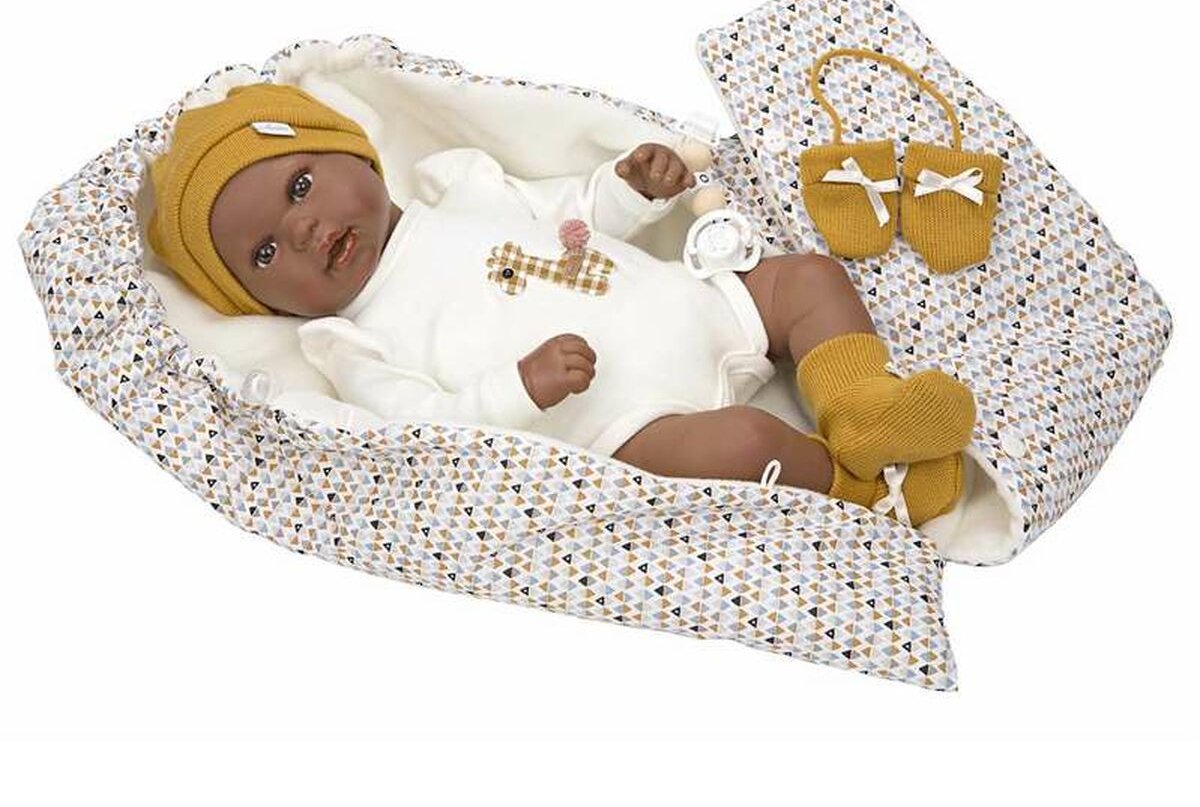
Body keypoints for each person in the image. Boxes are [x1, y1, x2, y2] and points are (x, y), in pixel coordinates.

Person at [148, 82, 974, 525]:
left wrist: (630, 187)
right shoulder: (353, 343)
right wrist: (520, 386)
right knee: (746, 442)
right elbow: (430, 434)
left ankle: (862, 410)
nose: (301, 229)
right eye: (263, 254)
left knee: (809, 279)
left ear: (356, 156)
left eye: (300, 186)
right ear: (260, 302)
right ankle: (866, 493)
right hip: (630, 422)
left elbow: (572, 217)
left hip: (691, 305)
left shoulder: (459, 186)